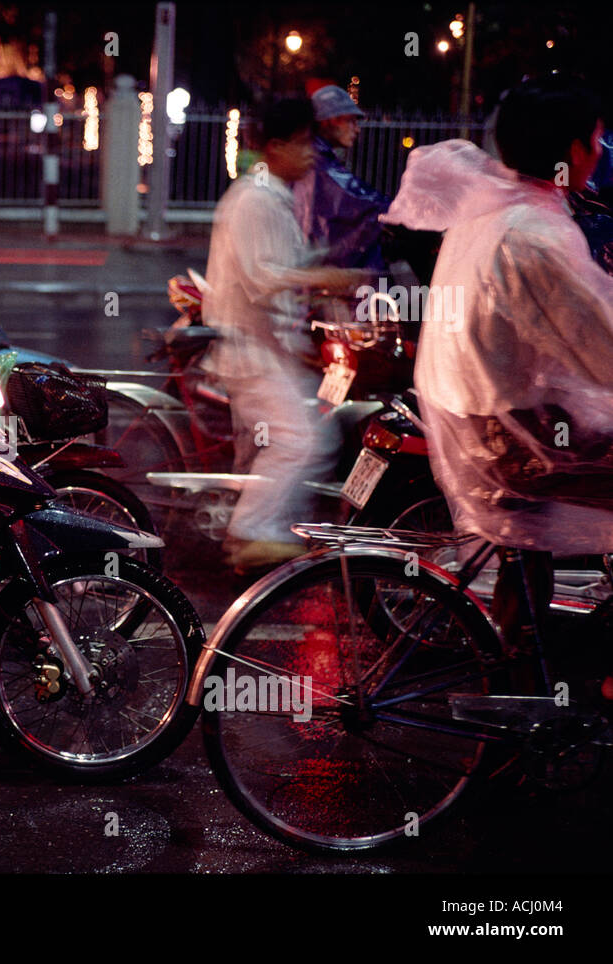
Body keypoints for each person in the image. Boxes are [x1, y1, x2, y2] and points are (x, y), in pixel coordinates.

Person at [408, 75, 613, 696]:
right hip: (515, 443)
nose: (601, 154)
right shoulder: (537, 234)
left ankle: (524, 673)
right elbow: (601, 351)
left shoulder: (491, 215)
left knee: (530, 561)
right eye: (597, 142)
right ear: (574, 151)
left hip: (482, 427)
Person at [202, 97, 369, 572]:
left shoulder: (271, 195)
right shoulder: (255, 200)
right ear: (274, 147)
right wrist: (327, 278)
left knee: (291, 439)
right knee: (300, 441)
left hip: (269, 347)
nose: (311, 154)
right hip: (251, 350)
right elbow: (262, 277)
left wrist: (325, 268)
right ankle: (252, 534)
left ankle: (268, 536)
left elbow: (284, 270)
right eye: (302, 144)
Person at [293, 84, 390, 270]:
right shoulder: (319, 162)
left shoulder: (315, 156)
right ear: (329, 121)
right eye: (351, 121)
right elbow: (360, 200)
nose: (357, 129)